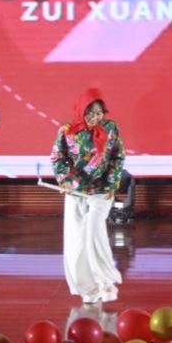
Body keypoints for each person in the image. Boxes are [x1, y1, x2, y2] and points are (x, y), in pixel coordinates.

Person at [51, 88, 125, 304]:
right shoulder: (67, 131)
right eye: (90, 113)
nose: (94, 118)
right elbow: (57, 158)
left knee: (93, 228)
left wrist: (112, 183)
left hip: (101, 191)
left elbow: (118, 157)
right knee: (77, 241)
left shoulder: (110, 128)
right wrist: (65, 179)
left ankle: (107, 280)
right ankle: (88, 288)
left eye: (99, 113)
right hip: (76, 191)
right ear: (81, 111)